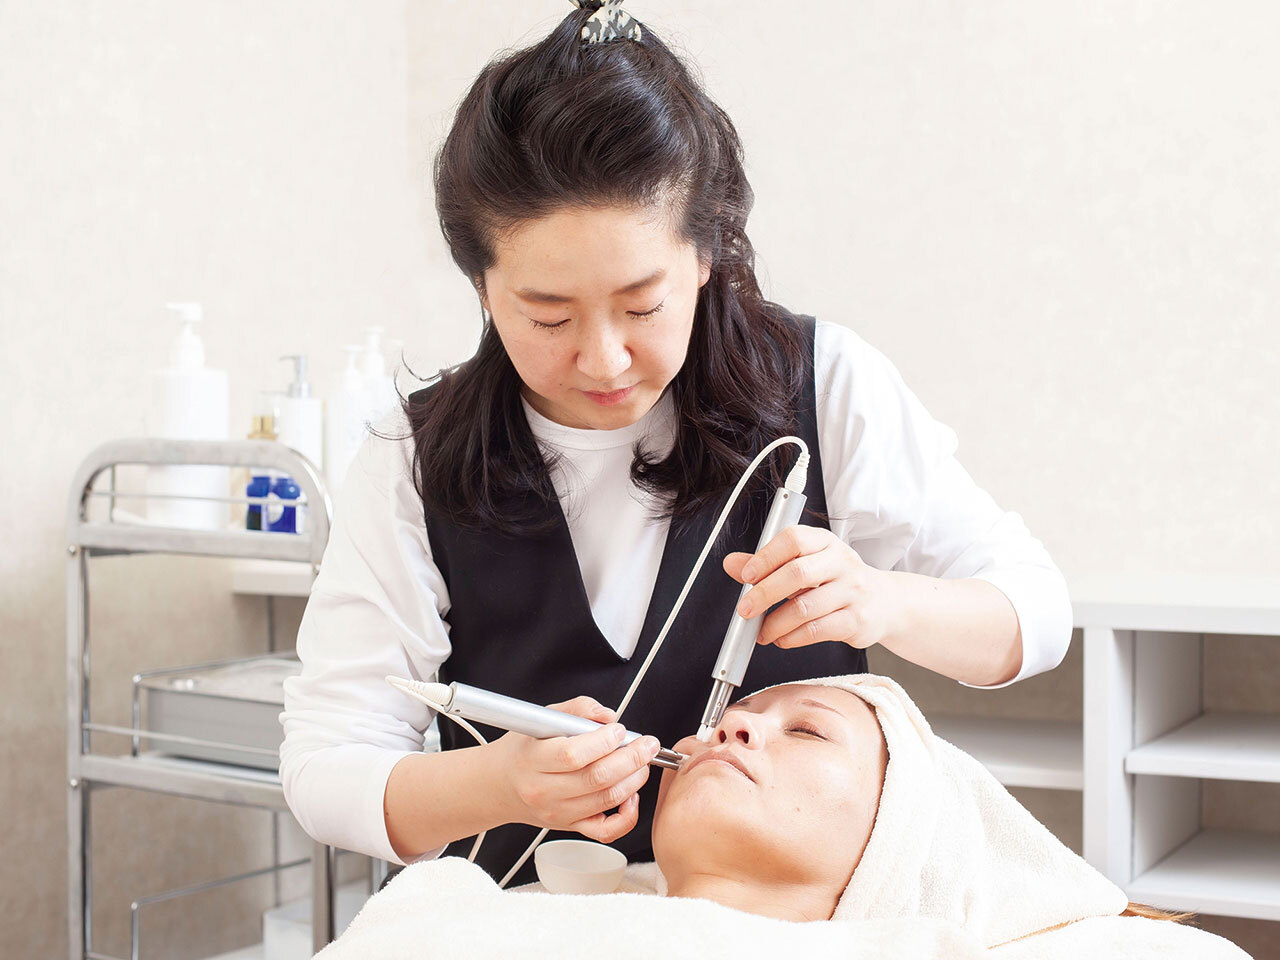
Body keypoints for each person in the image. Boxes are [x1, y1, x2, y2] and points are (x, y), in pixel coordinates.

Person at [280, 0, 1074, 887]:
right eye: (547, 316)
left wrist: (884, 602)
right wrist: (496, 784)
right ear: (481, 285)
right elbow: (325, 765)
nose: (603, 358)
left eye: (642, 305)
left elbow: (1036, 618)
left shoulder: (821, 384)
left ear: (705, 254)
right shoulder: (415, 458)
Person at [313, 676, 1254, 960]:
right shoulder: (456, 912)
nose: (733, 728)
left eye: (805, 730)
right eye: (733, 718)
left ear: (898, 836)